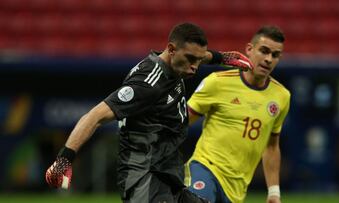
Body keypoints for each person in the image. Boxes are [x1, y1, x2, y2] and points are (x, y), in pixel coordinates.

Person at [45, 22, 252, 203]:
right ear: (171, 49)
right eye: (191, 59)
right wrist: (64, 158)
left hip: (167, 174)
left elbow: (200, 55)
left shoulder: (178, 63)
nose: (195, 67)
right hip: (144, 177)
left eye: (198, 60)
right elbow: (94, 116)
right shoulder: (148, 83)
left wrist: (222, 57)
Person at [186, 25, 290, 203]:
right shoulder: (217, 83)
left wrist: (274, 192)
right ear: (249, 49)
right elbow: (181, 122)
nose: (268, 59)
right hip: (205, 168)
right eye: (264, 51)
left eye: (275, 55)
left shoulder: (281, 97)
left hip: (236, 189)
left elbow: (271, 146)